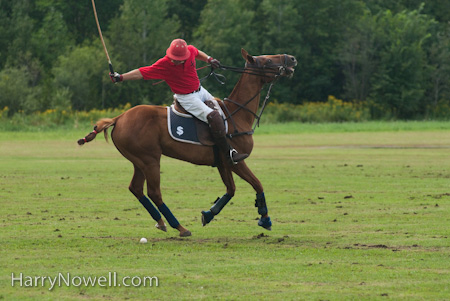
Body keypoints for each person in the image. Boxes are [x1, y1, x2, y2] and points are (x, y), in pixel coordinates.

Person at [110, 38, 248, 165]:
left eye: (180, 59)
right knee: (213, 116)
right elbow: (141, 72)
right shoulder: (163, 64)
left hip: (200, 91)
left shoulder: (190, 51)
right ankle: (228, 153)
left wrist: (209, 59)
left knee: (224, 111)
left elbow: (197, 52)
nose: (177, 61)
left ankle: (221, 144)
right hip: (187, 98)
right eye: (174, 59)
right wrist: (121, 77)